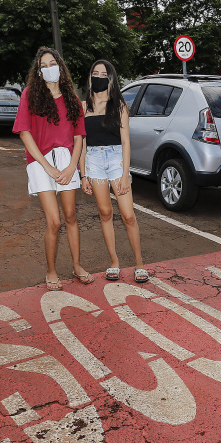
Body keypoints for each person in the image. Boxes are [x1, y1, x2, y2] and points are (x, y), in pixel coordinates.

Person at [13, 47, 94, 290]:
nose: (49, 69)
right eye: (44, 66)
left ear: (61, 66)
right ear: (38, 72)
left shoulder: (72, 98)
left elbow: (79, 137)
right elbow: (25, 134)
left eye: (53, 63)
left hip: (67, 160)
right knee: (55, 222)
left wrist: (73, 168)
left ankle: (77, 266)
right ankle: (51, 270)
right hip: (40, 162)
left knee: (70, 217)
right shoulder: (30, 95)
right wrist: (47, 167)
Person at [79, 60, 148, 283]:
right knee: (105, 213)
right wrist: (83, 174)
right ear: (90, 77)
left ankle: (139, 264)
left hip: (117, 159)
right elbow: (81, 143)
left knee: (128, 215)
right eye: (95, 73)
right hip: (94, 161)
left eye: (104, 74)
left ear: (111, 79)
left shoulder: (119, 106)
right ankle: (114, 262)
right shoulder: (83, 107)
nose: (99, 77)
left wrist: (126, 174)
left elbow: (126, 142)